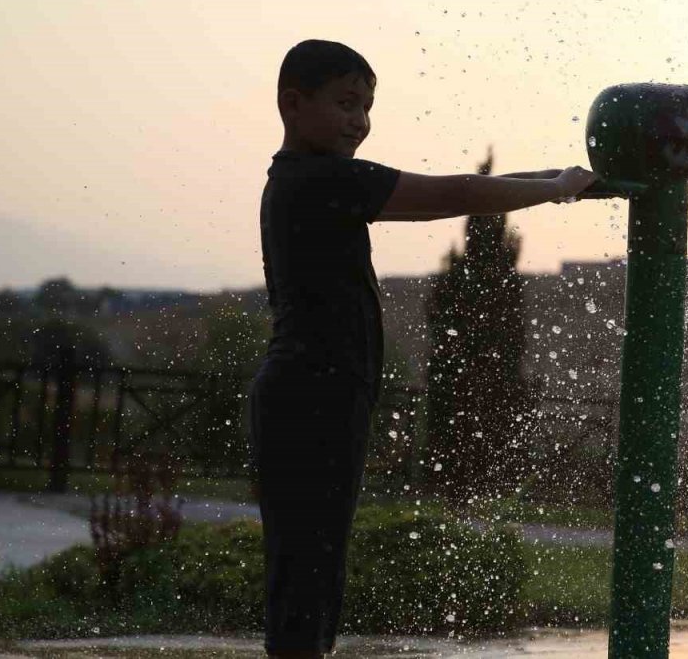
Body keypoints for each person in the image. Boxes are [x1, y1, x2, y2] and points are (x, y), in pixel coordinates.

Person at [249, 39, 597, 658]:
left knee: (315, 566)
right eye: (346, 103)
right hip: (309, 397)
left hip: (324, 395)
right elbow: (455, 194)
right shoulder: (318, 180)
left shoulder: (310, 178)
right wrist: (553, 190)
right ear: (293, 104)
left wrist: (556, 179)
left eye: (367, 106)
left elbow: (466, 189)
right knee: (305, 571)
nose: (360, 121)